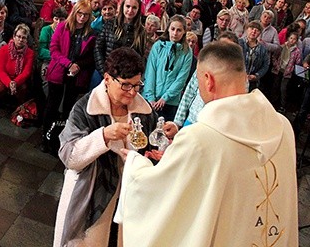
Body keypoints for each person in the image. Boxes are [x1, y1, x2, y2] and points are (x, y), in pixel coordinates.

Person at [115, 41, 299, 247]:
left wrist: (133, 163)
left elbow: (159, 195)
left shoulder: (198, 138)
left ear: (208, 80)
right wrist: (179, 160)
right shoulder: (283, 127)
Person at [54, 47, 169, 246]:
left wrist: (157, 151)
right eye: (125, 85)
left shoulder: (144, 111)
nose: (132, 92)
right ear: (107, 79)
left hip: (130, 196)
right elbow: (69, 157)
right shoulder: (86, 108)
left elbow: (151, 147)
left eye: (137, 85)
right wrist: (103, 136)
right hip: (91, 193)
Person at [41, 0, 96, 153]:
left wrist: (78, 65)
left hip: (76, 75)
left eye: (86, 15)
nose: (82, 17)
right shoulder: (62, 26)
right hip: (59, 70)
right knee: (52, 106)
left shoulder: (90, 33)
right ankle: (46, 138)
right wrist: (68, 63)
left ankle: (63, 139)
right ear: (75, 12)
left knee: (69, 108)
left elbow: (90, 56)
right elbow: (54, 49)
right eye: (80, 13)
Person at [143, 15, 193, 122]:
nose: (175, 33)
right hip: (151, 98)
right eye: (173, 29)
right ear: (168, 29)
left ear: (184, 31)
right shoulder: (158, 46)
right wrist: (150, 97)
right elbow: (150, 72)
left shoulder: (187, 52)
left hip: (170, 101)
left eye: (179, 30)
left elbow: (181, 78)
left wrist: (165, 98)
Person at [0, 23, 35, 108]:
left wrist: (15, 82)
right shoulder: (4, 49)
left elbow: (26, 72)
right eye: (18, 36)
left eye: (24, 38)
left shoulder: (30, 53)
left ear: (27, 40)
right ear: (14, 37)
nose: (20, 40)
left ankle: (20, 108)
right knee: (0, 88)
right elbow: (0, 70)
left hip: (19, 78)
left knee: (23, 89)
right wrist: (9, 82)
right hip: (3, 77)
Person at [94, 0, 146, 78]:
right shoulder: (110, 23)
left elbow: (140, 56)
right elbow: (98, 48)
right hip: (106, 72)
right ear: (122, 7)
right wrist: (104, 71)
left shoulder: (141, 31)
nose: (130, 10)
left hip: (126, 77)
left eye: (134, 7)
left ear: (138, 9)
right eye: (128, 6)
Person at [239, 21, 270, 91]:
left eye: (257, 30)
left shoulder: (263, 49)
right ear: (247, 29)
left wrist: (257, 75)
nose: (254, 31)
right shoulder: (238, 43)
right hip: (237, 79)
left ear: (260, 33)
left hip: (252, 83)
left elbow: (265, 65)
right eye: (252, 28)